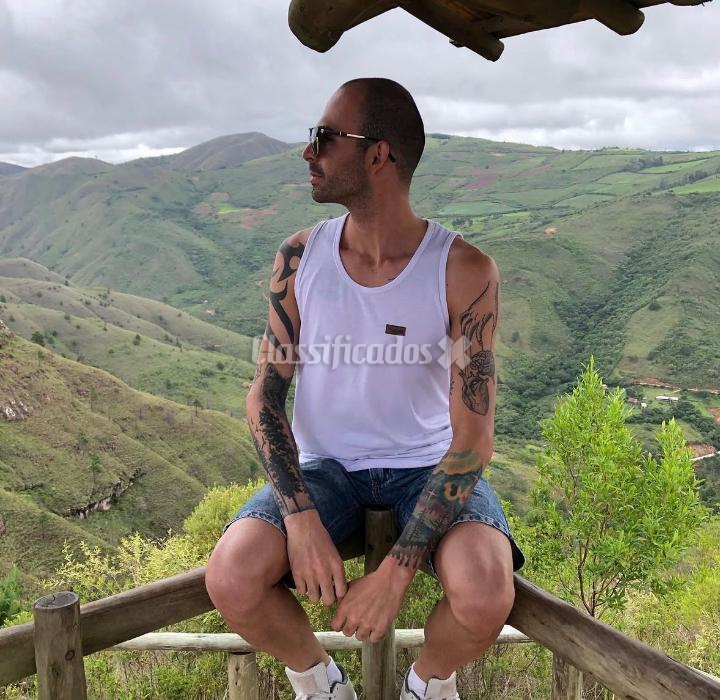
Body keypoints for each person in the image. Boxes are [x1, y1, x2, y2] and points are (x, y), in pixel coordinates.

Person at [205, 77, 525, 700]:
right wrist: (300, 516)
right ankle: (321, 683)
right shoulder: (299, 257)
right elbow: (264, 396)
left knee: (487, 593)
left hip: (428, 465)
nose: (309, 152)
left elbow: (473, 439)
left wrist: (396, 574)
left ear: (378, 154)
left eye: (325, 137)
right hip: (324, 468)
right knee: (232, 577)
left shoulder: (464, 270)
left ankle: (426, 684)